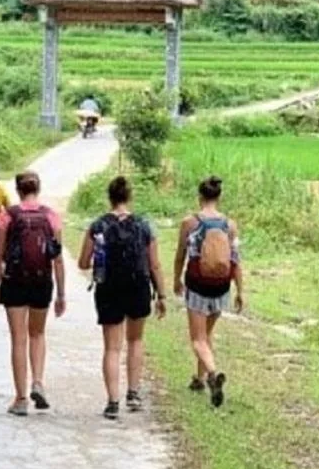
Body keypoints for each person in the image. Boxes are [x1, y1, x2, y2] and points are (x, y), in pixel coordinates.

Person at [77, 176, 166, 420]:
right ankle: (134, 394)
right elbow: (154, 265)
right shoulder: (144, 225)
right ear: (129, 196)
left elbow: (83, 262)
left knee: (112, 348)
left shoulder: (97, 225)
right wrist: (161, 294)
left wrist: (99, 262)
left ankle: (113, 401)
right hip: (138, 286)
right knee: (135, 340)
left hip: (109, 288)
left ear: (110, 197)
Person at [0, 171, 66, 416]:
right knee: (38, 334)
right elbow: (57, 259)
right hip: (42, 281)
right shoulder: (51, 216)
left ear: (18, 190)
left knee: (18, 338)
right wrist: (61, 294)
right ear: (37, 189)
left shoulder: (7, 216)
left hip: (14, 281)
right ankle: (38, 382)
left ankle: (21, 399)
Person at [173, 176, 244, 409]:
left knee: (198, 339)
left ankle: (212, 375)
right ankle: (199, 379)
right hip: (221, 287)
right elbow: (236, 261)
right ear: (219, 197)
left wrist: (176, 279)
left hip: (197, 286)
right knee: (207, 335)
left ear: (200, 197)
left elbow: (180, 255)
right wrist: (240, 291)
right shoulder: (230, 225)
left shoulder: (189, 223)